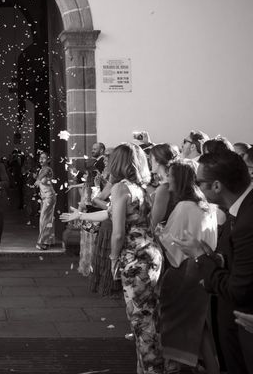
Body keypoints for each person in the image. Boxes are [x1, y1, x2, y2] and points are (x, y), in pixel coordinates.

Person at [173, 150, 253, 374]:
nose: (196, 186)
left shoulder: (247, 219)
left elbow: (239, 290)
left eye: (200, 182)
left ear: (216, 186)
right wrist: (213, 258)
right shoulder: (240, 208)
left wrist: (200, 256)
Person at [156, 161, 219, 373]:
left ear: (180, 179)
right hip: (204, 269)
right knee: (199, 328)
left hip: (184, 272)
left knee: (180, 327)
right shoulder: (207, 206)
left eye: (170, 175)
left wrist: (157, 231)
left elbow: (171, 241)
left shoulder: (183, 207)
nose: (166, 180)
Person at [108, 143, 164, 373]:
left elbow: (119, 232)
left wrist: (113, 258)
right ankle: (145, 368)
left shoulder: (120, 189)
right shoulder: (142, 188)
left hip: (134, 258)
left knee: (141, 321)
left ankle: (152, 369)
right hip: (151, 253)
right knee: (149, 316)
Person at [149, 143, 179, 229]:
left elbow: (154, 223)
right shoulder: (174, 181)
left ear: (157, 161)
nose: (150, 162)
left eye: (151, 159)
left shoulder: (164, 188)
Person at [35, 151, 56, 250]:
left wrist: (37, 179)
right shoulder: (42, 170)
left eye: (43, 158)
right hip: (45, 197)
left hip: (49, 196)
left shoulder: (47, 169)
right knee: (48, 218)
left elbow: (41, 177)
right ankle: (48, 240)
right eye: (40, 158)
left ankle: (42, 241)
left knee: (44, 219)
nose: (41, 159)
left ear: (48, 160)